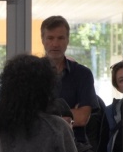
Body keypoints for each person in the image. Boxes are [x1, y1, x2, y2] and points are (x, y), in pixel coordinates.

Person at [41, 15, 98, 144]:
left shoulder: (83, 74)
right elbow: (27, 118)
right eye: (50, 38)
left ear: (67, 40)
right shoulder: (30, 73)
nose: (55, 44)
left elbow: (82, 118)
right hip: (40, 146)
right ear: (42, 40)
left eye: (61, 38)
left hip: (75, 146)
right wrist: (68, 115)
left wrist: (44, 115)